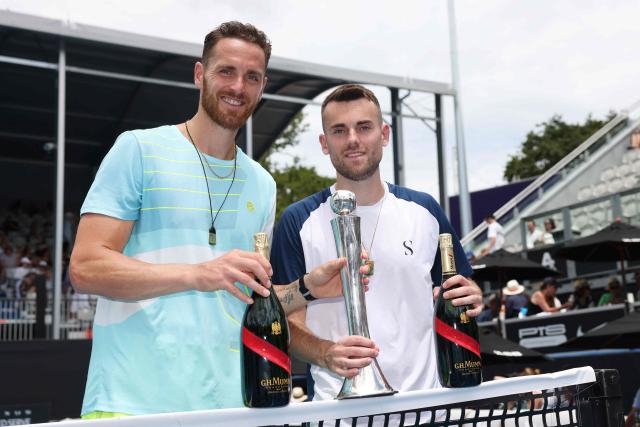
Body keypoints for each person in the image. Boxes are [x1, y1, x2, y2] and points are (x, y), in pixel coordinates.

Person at [69, 22, 353, 417]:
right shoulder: (138, 150)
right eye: (226, 71)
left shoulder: (262, 183)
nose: (238, 86)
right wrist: (196, 273)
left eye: (252, 76)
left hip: (231, 407)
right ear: (200, 74)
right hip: (133, 404)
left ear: (262, 85)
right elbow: (86, 267)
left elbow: (246, 300)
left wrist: (306, 289)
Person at [270, 84, 483, 401]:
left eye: (364, 127)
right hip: (337, 413)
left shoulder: (425, 210)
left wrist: (473, 295)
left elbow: (458, 292)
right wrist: (326, 353)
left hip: (426, 406)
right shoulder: (298, 220)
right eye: (339, 130)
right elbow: (283, 319)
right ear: (324, 143)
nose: (353, 139)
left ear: (384, 134)